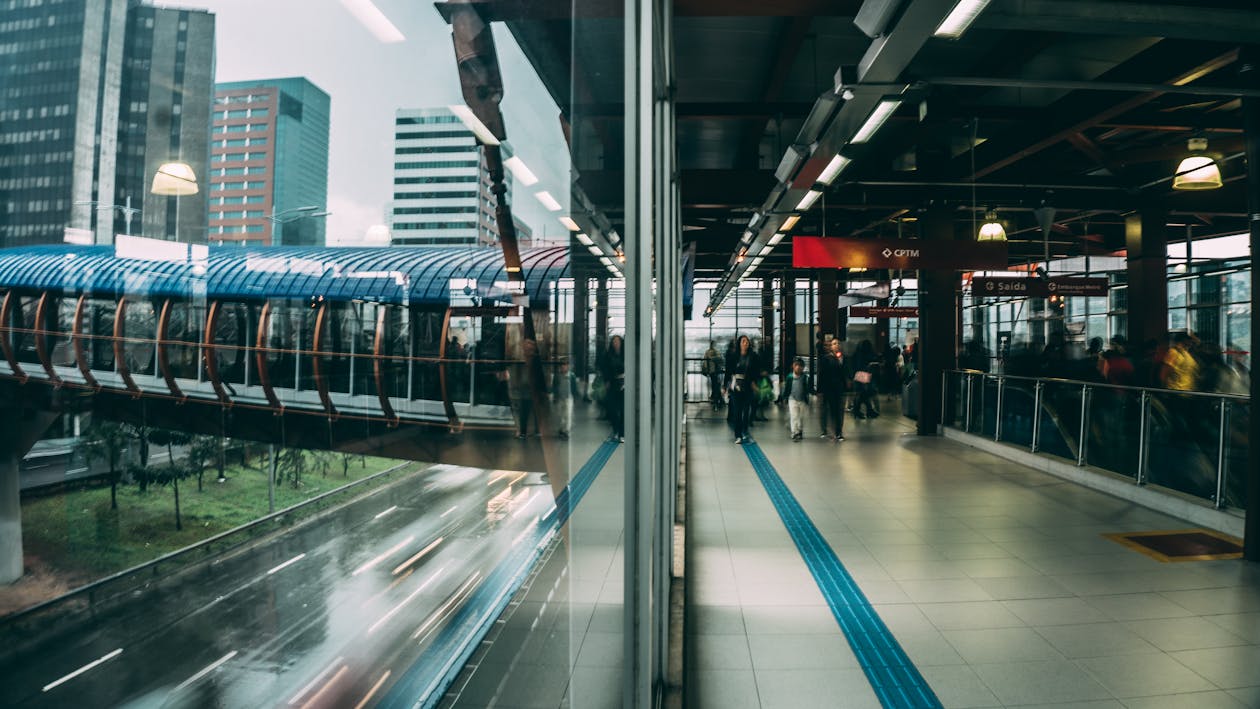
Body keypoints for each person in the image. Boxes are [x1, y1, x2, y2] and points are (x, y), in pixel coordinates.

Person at [728, 335, 760, 444]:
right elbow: (729, 371)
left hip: (747, 386)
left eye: (747, 342)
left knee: (746, 411)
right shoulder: (734, 356)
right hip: (736, 387)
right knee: (737, 412)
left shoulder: (753, 356)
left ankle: (745, 433)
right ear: (739, 343)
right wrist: (724, 386)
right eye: (743, 341)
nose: (745, 343)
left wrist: (754, 383)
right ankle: (738, 435)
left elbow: (756, 371)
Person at [819, 338, 850, 441]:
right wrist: (821, 390)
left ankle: (839, 432)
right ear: (831, 347)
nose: (836, 345)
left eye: (838, 343)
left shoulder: (843, 358)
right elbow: (822, 375)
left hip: (840, 388)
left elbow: (845, 372)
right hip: (829, 388)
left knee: (839, 410)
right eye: (834, 344)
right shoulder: (826, 359)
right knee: (831, 410)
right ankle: (829, 431)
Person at [599, 335, 626, 441]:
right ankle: (615, 431)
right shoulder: (608, 355)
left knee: (624, 410)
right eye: (614, 341)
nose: (616, 343)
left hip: (625, 383)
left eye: (618, 341)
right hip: (613, 383)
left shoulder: (626, 354)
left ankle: (622, 433)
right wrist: (607, 381)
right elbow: (605, 369)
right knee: (612, 409)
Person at [851, 340, 879, 419]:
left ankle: (860, 411)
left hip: (858, 374)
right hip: (864, 375)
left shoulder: (857, 353)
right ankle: (866, 411)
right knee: (863, 394)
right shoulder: (867, 354)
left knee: (862, 394)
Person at [784, 357, 809, 441]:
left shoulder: (805, 377)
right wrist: (784, 397)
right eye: (796, 365)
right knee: (794, 416)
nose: (798, 367)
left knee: (801, 417)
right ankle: (794, 432)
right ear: (793, 366)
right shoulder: (790, 377)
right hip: (792, 399)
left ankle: (799, 430)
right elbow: (787, 388)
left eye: (800, 366)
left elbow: (807, 388)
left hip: (802, 399)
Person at [702, 340, 724, 410]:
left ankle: (716, 398)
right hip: (716, 371)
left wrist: (706, 369)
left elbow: (705, 361)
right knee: (716, 385)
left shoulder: (707, 352)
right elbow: (720, 359)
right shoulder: (716, 352)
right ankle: (718, 399)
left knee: (715, 385)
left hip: (712, 371)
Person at [553, 360, 572, 440]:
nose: (564, 367)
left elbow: (574, 388)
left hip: (568, 398)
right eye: (562, 366)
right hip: (560, 398)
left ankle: (565, 431)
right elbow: (554, 386)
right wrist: (555, 397)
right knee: (560, 415)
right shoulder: (557, 376)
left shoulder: (571, 376)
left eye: (565, 365)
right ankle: (561, 429)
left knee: (567, 415)